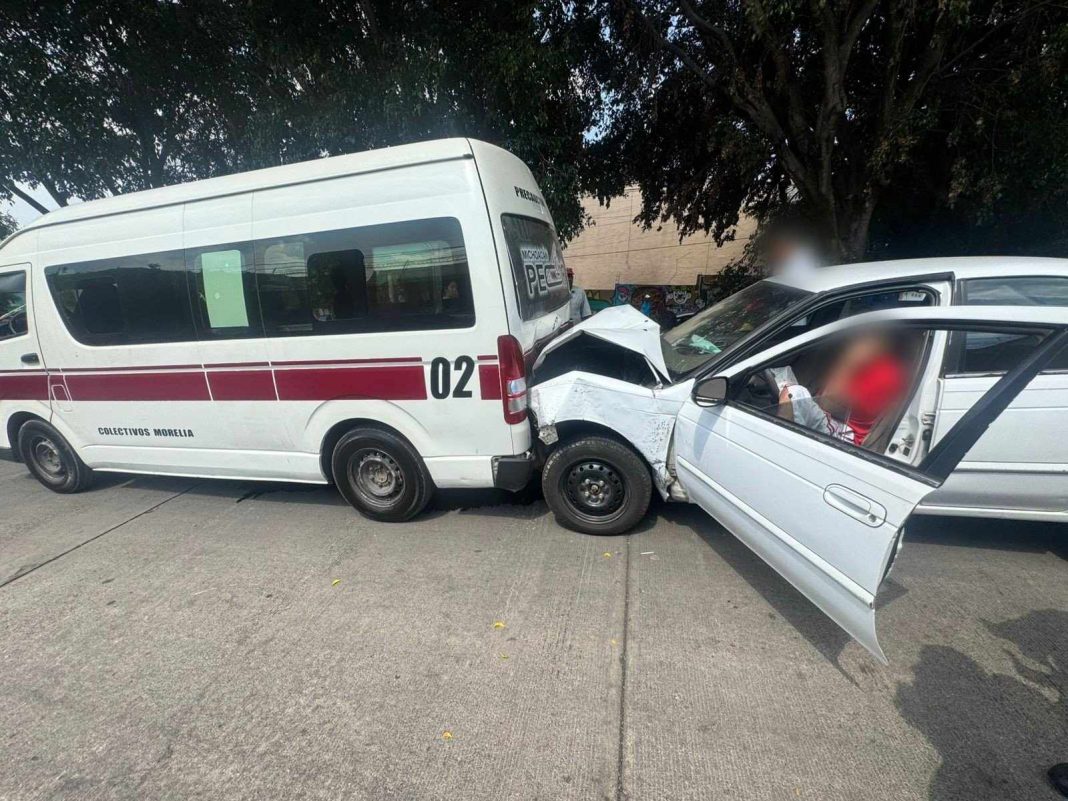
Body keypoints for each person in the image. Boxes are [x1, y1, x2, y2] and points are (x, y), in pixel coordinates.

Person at [776, 331, 909, 447]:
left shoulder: (885, 375)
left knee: (793, 394)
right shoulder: (876, 366)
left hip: (845, 433)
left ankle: (776, 444)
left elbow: (827, 400)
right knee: (779, 374)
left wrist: (849, 363)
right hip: (835, 417)